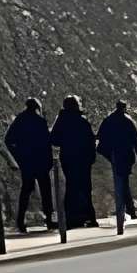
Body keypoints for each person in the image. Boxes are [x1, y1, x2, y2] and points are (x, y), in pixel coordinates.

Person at [4, 97, 56, 233]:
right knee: (45, 190)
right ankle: (49, 219)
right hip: (40, 160)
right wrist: (49, 161)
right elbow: (46, 143)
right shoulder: (40, 122)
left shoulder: (19, 120)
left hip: (26, 160)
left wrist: (18, 154)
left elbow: (8, 139)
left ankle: (20, 221)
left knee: (26, 190)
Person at [51, 95, 99, 228]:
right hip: (83, 158)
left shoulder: (61, 121)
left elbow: (54, 139)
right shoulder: (82, 121)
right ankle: (89, 216)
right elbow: (90, 140)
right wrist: (91, 156)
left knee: (71, 186)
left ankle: (71, 217)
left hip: (68, 157)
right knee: (85, 187)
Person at [96, 99, 137, 224]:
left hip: (113, 155)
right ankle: (129, 210)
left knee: (121, 182)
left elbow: (99, 136)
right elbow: (136, 140)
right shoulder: (128, 121)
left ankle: (126, 209)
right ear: (125, 108)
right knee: (124, 182)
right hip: (126, 155)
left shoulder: (108, 120)